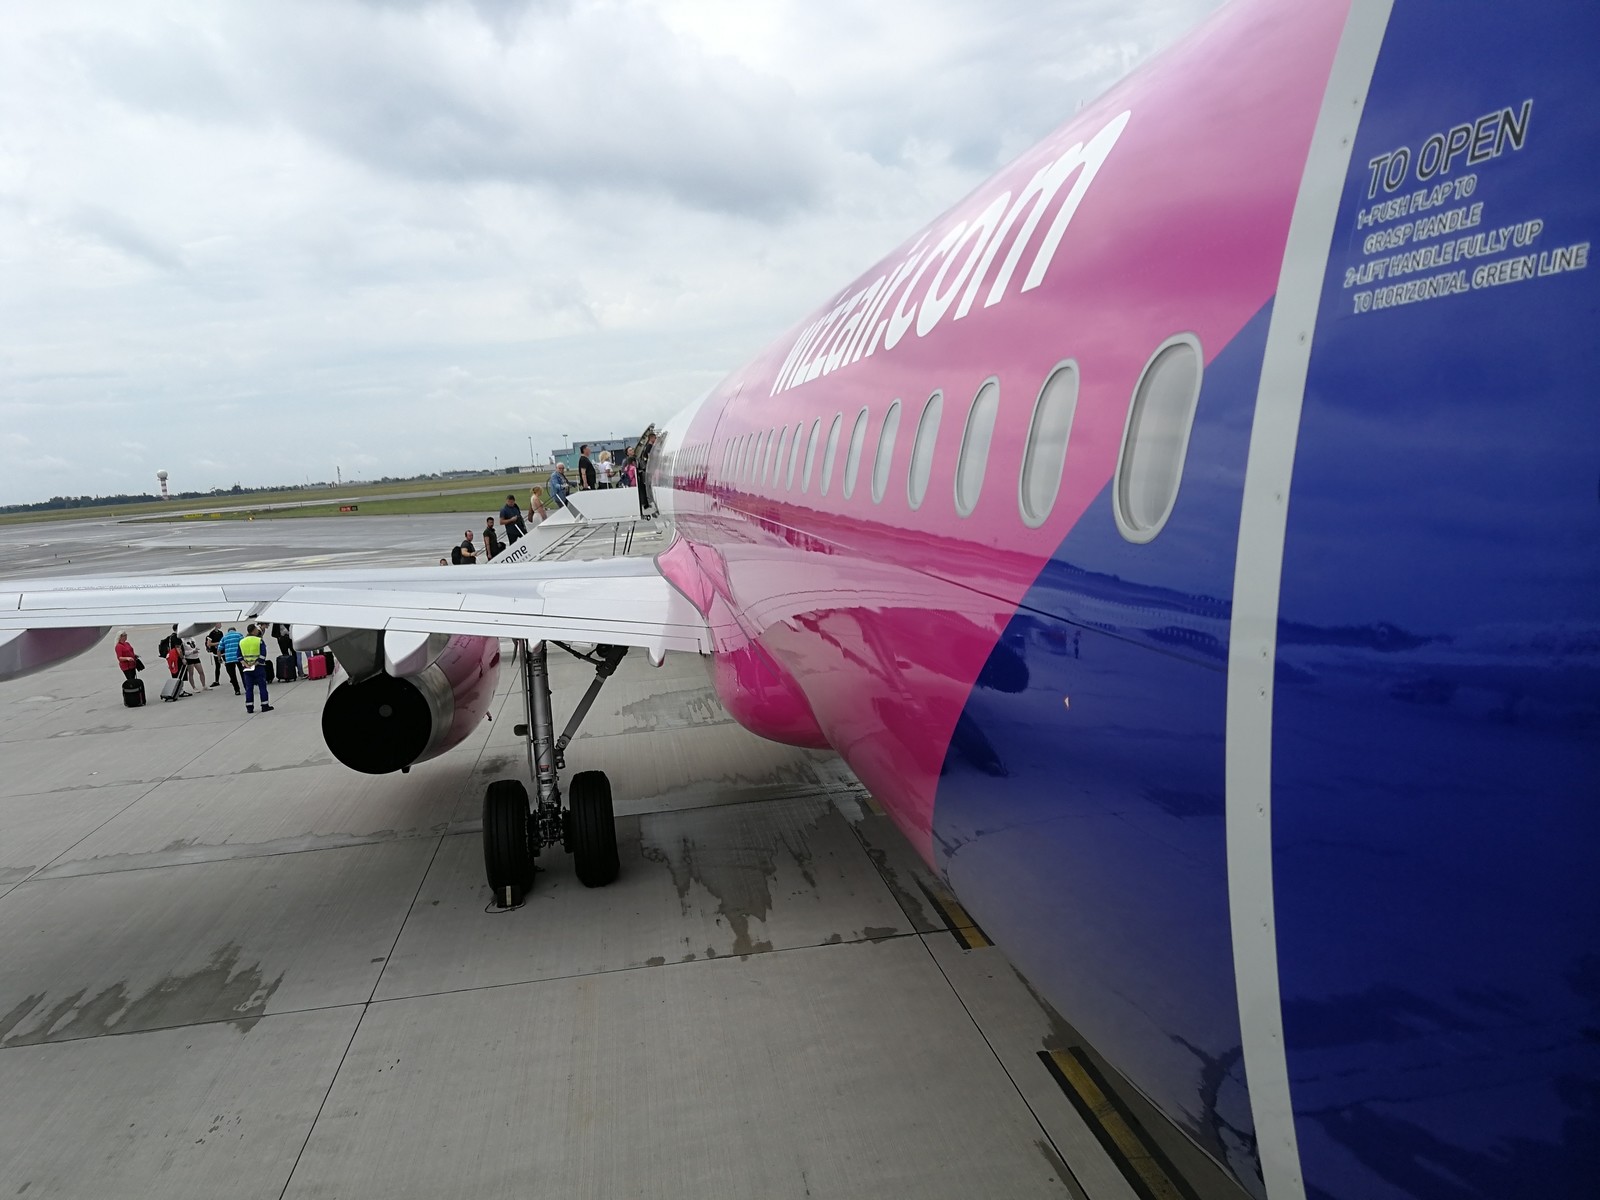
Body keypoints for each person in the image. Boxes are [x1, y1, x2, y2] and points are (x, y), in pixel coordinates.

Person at [238, 624, 273, 713]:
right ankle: (264, 705)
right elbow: (263, 655)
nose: (258, 631)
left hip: (247, 669)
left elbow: (239, 656)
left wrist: (246, 664)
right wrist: (255, 664)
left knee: (249, 688)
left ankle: (249, 707)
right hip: (258, 667)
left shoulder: (241, 642)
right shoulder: (259, 641)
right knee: (262, 687)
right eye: (257, 630)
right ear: (254, 631)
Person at [220, 624, 244, 695]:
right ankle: (247, 688)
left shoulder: (224, 637)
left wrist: (219, 658)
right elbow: (243, 644)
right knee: (243, 673)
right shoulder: (239, 635)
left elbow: (219, 649)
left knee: (232, 676)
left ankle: (237, 690)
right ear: (235, 630)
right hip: (239, 657)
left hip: (229, 659)